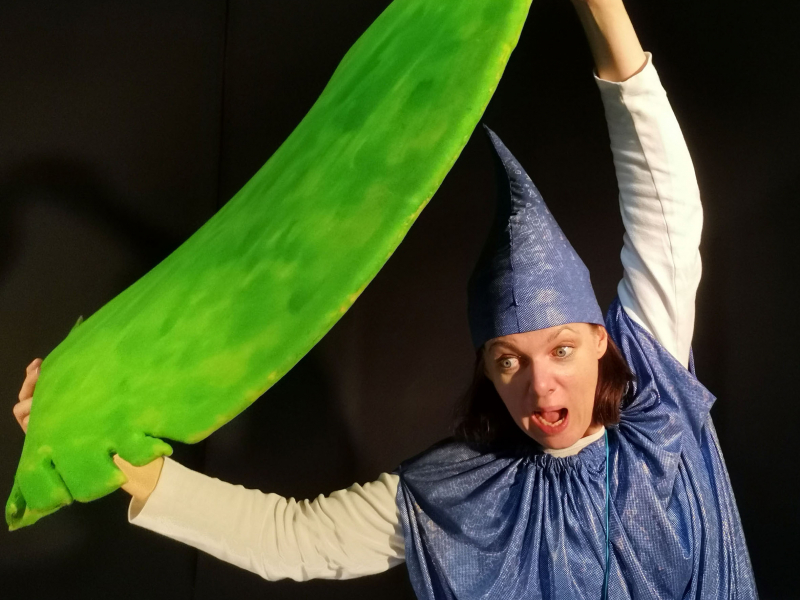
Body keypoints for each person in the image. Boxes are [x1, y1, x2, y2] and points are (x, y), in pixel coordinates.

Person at [13, 0, 758, 597]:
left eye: (561, 349)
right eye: (509, 361)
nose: (540, 385)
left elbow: (666, 209)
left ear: (601, 340)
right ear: (486, 369)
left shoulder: (660, 411)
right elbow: (297, 541)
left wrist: (601, 10)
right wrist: (96, 443)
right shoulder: (459, 494)